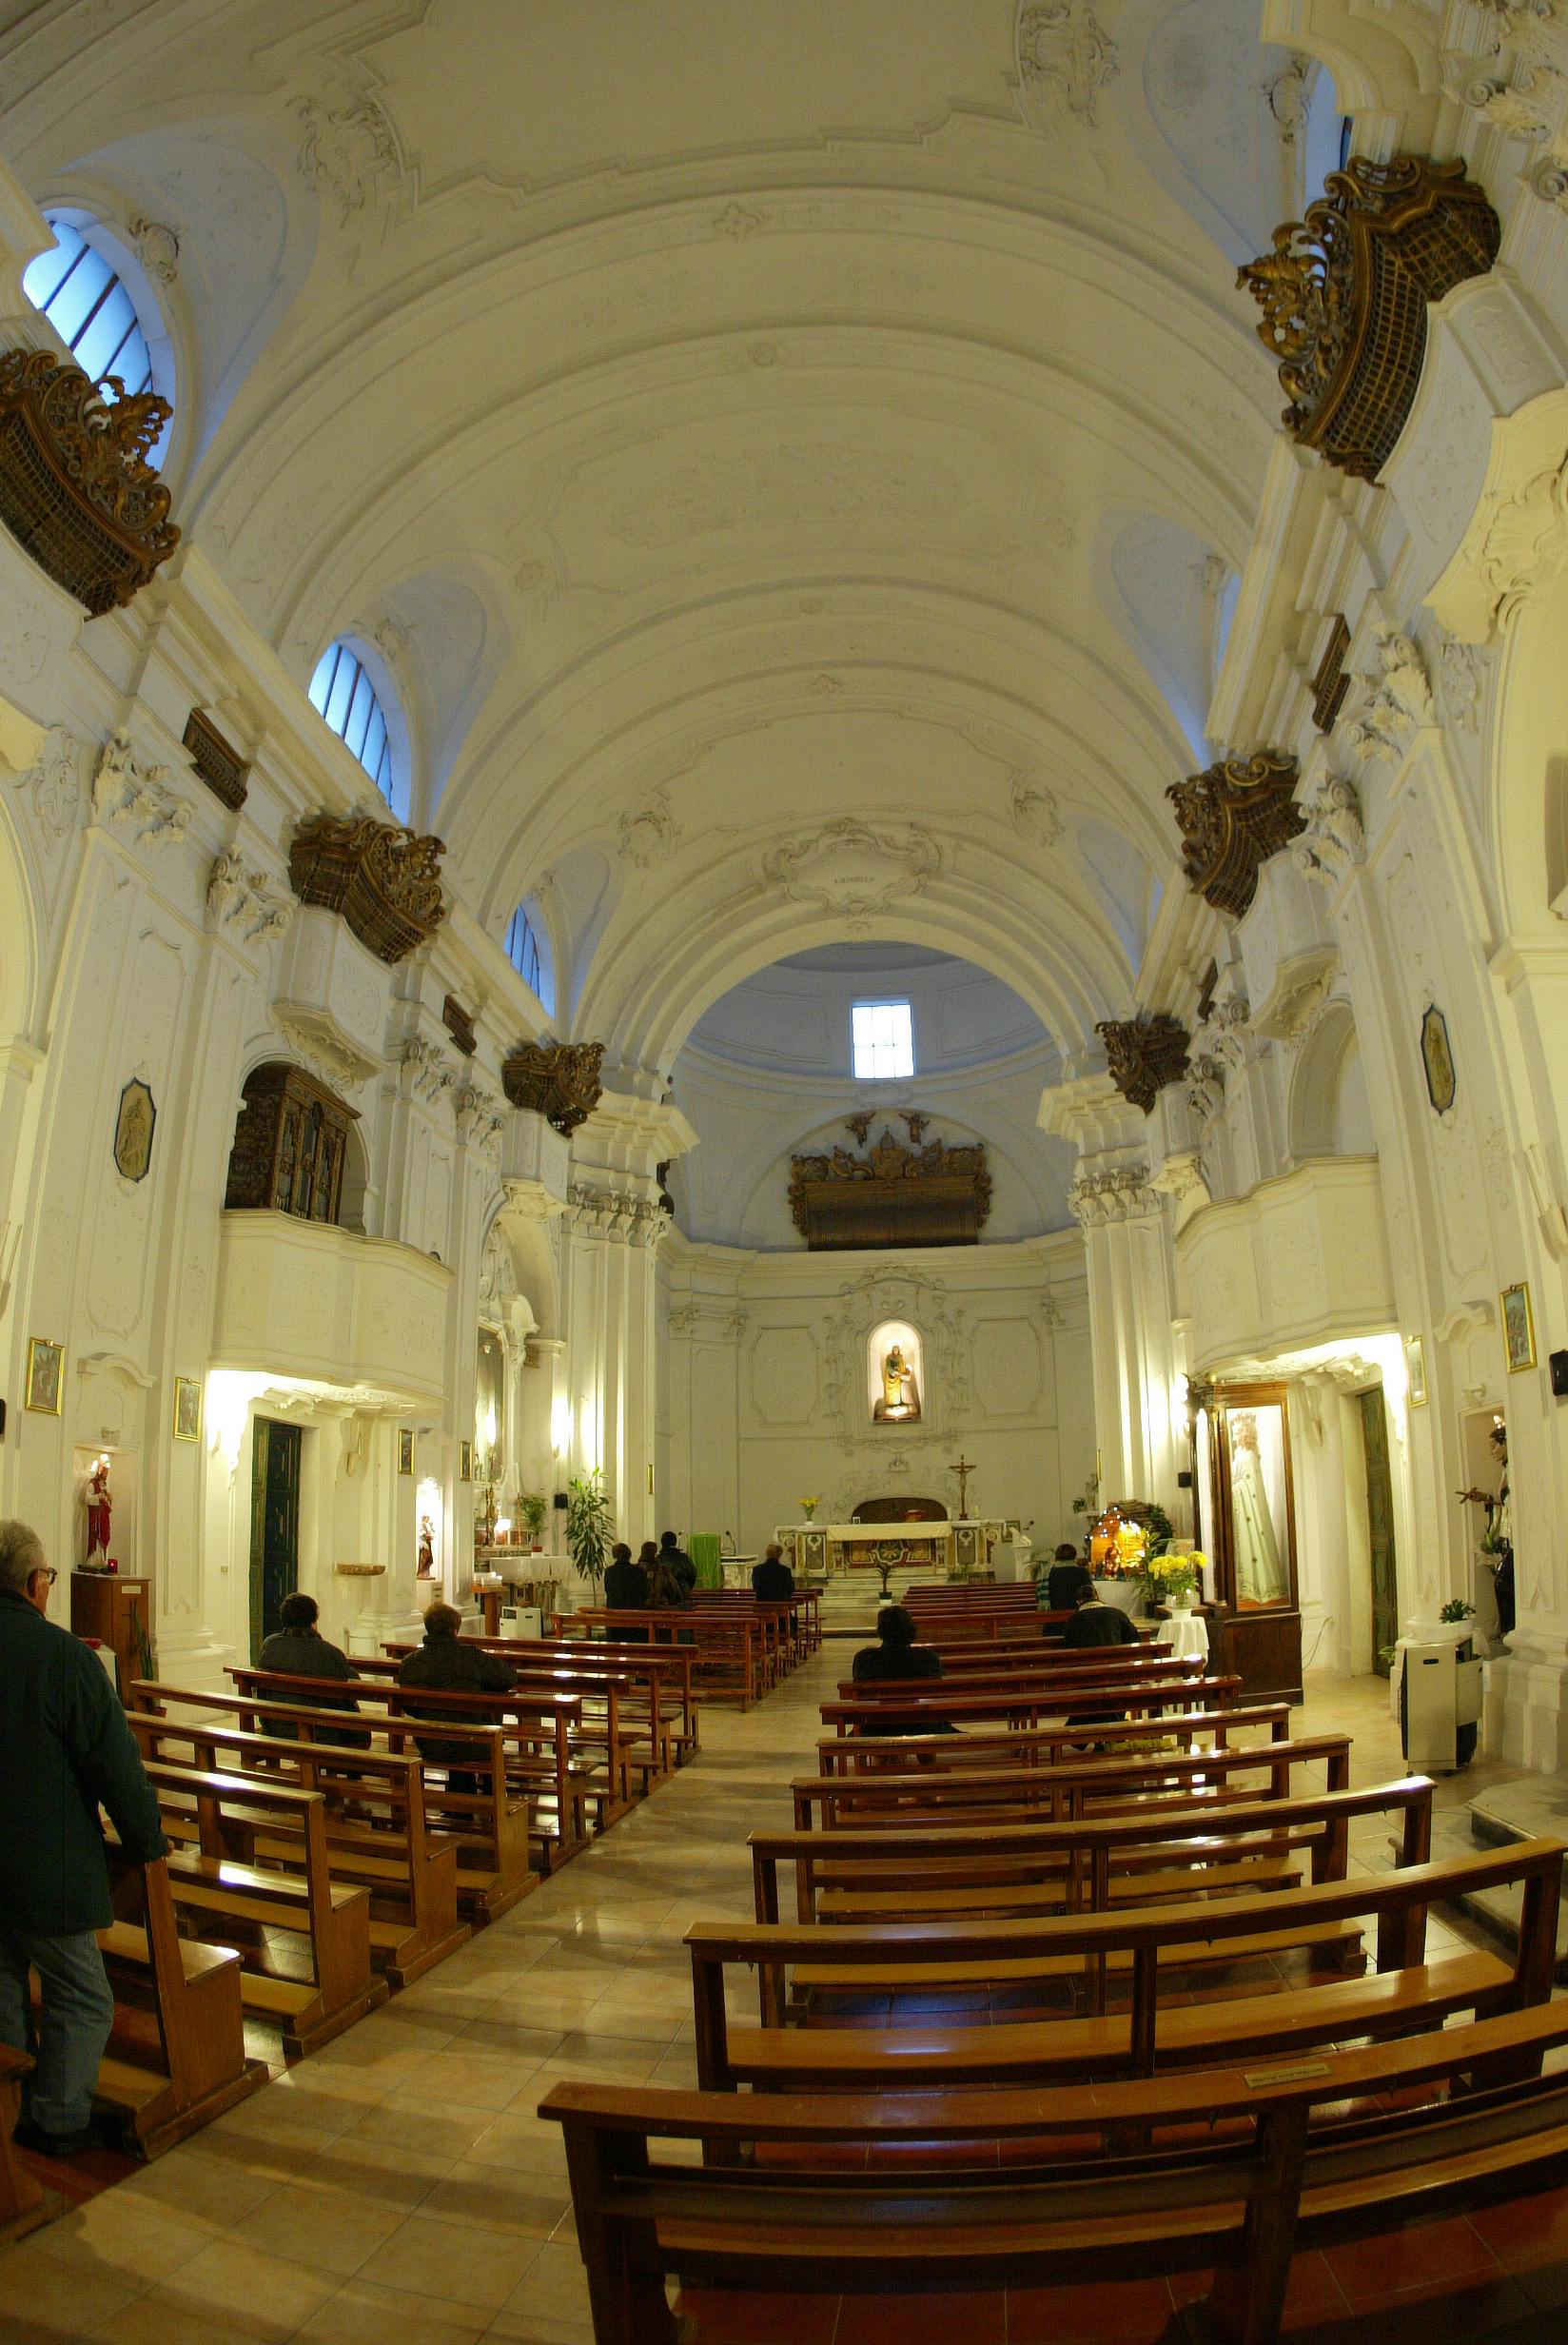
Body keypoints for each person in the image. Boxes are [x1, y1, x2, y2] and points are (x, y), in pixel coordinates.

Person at [0, 1518, 168, 2156]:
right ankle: (57, 2119)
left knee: (3, 1983)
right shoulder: (65, 1657)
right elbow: (115, 1765)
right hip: (46, 1866)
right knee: (82, 1995)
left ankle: (10, 2109)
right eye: (47, 1576)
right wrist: (147, 1841)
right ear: (32, 1583)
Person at [397, 1602, 516, 1796]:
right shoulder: (470, 1657)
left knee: (453, 1727)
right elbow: (508, 1677)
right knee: (480, 1729)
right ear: (455, 1630)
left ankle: (459, 1800)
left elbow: (409, 1706)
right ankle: (491, 1799)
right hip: (473, 1742)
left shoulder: (411, 1663)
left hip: (430, 1743)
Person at [258, 1590, 367, 1745]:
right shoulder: (328, 1652)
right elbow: (354, 1686)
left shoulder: (269, 1646)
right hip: (325, 1733)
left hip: (276, 1728)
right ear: (313, 1621)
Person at [851, 1604, 951, 1738]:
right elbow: (942, 1693)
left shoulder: (864, 1658)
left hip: (876, 1725)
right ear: (910, 1629)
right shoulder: (927, 1657)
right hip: (921, 1724)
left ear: (881, 1630)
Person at [1062, 1580, 1140, 1729]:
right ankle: (1114, 1725)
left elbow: (1068, 1648)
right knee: (1116, 1687)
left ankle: (1089, 1729)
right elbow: (1134, 1639)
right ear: (1097, 1596)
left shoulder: (1074, 1620)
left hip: (1087, 1677)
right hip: (1116, 1675)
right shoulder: (1116, 1614)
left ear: (1079, 1602)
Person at [602, 1541, 650, 1641]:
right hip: (635, 1616)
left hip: (614, 1616)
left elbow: (608, 1590)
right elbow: (645, 1592)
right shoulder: (638, 1571)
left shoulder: (609, 1571)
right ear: (629, 1555)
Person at [1045, 1543, 1093, 1612]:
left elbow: (1038, 1595)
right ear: (1074, 1555)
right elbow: (1090, 1593)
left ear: (1057, 1556)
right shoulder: (1083, 1572)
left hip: (1055, 1612)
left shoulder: (1049, 1572)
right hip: (1079, 1613)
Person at [658, 1529, 696, 1596]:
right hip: (682, 1594)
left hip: (662, 1595)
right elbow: (692, 1575)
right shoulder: (684, 1559)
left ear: (662, 1543)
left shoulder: (657, 1559)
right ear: (675, 1542)